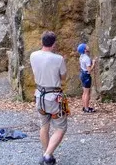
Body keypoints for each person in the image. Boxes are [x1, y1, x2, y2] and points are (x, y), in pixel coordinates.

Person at [30, 31, 69, 165]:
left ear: (42, 42)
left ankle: (47, 154)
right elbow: (63, 77)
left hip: (39, 95)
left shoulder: (33, 55)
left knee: (44, 125)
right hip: (53, 98)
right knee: (61, 127)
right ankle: (47, 155)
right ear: (54, 44)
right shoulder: (58, 59)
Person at [77, 43, 96, 113]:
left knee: (84, 92)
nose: (88, 46)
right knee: (87, 93)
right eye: (86, 46)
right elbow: (89, 70)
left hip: (82, 74)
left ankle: (84, 106)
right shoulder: (86, 58)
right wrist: (93, 63)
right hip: (86, 76)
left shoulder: (81, 56)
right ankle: (86, 108)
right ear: (85, 50)